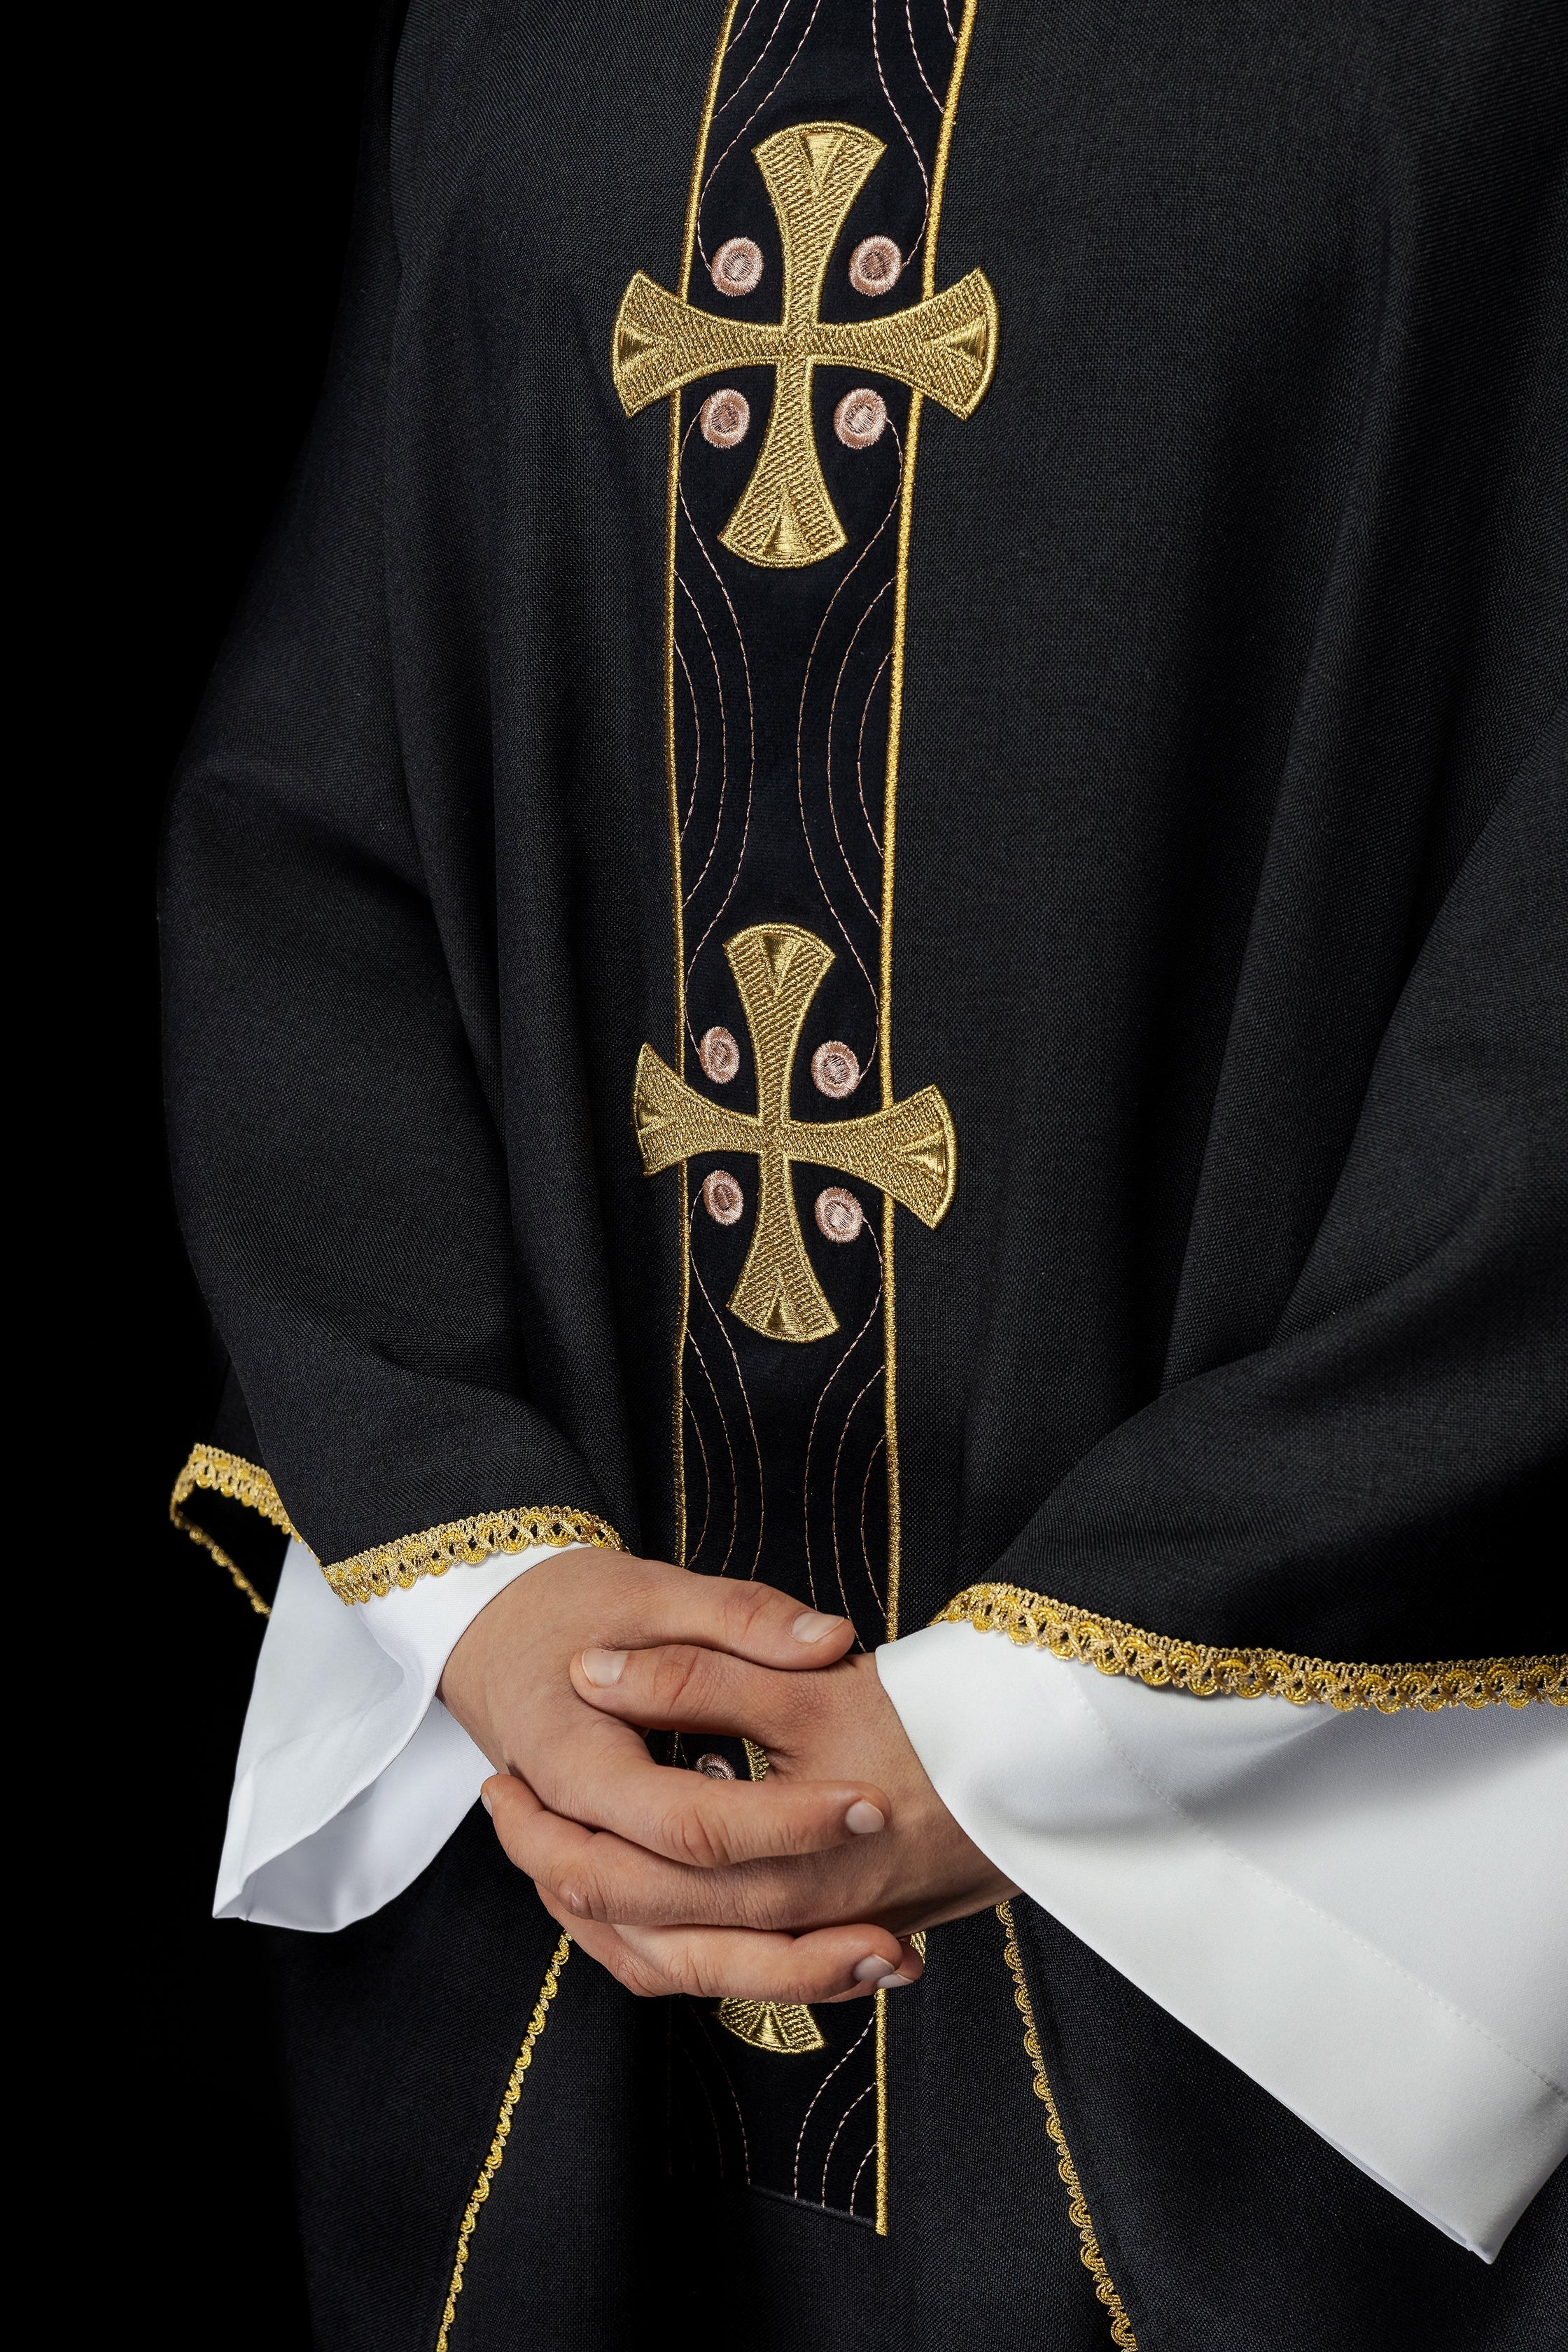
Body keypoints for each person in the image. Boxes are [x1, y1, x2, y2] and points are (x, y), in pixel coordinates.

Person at [162, 1, 1567, 2344]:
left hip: (1278, 1899)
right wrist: (494, 1588)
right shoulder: (507, 37)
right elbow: (321, 809)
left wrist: (1048, 1722)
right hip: (545, 1866)